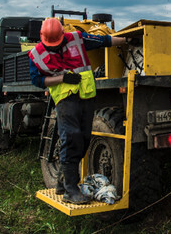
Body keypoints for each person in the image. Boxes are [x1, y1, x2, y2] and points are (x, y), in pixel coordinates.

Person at [28, 18, 127, 204]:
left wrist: (127, 40)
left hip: (86, 97)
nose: (54, 48)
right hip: (66, 101)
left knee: (83, 140)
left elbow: (105, 41)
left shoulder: (76, 38)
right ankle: (70, 190)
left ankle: (62, 181)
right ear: (42, 38)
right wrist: (61, 79)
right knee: (71, 139)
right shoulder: (36, 54)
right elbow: (37, 81)